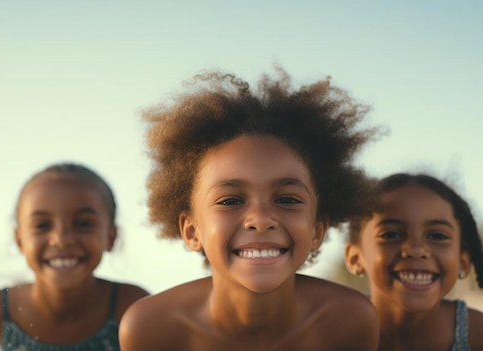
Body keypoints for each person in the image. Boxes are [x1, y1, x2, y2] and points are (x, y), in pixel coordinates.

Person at [119, 68, 380, 351]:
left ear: (318, 229)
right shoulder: (151, 329)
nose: (261, 220)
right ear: (192, 230)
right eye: (230, 200)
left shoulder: (350, 319)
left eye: (288, 200)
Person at [0, 163, 149, 351]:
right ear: (19, 240)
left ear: (111, 237)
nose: (61, 240)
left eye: (83, 223)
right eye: (42, 225)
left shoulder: (132, 309)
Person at [344, 173, 483, 351]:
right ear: (355, 258)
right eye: (391, 234)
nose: (416, 249)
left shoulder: (479, 335)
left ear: (462, 262)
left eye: (437, 236)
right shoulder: (334, 333)